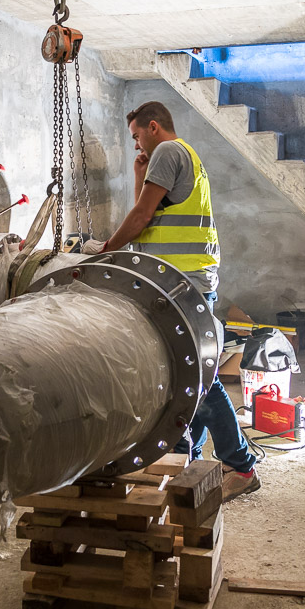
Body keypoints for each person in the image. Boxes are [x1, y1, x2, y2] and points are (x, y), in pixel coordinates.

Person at [85, 101, 259, 501]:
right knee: (187, 372)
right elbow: (148, 213)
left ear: (152, 127)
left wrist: (107, 250)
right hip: (185, 279)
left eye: (136, 137)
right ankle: (185, 453)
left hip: (183, 283)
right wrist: (138, 176)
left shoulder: (168, 151)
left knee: (199, 377)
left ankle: (240, 465)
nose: (136, 146)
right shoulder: (185, 157)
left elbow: (141, 217)